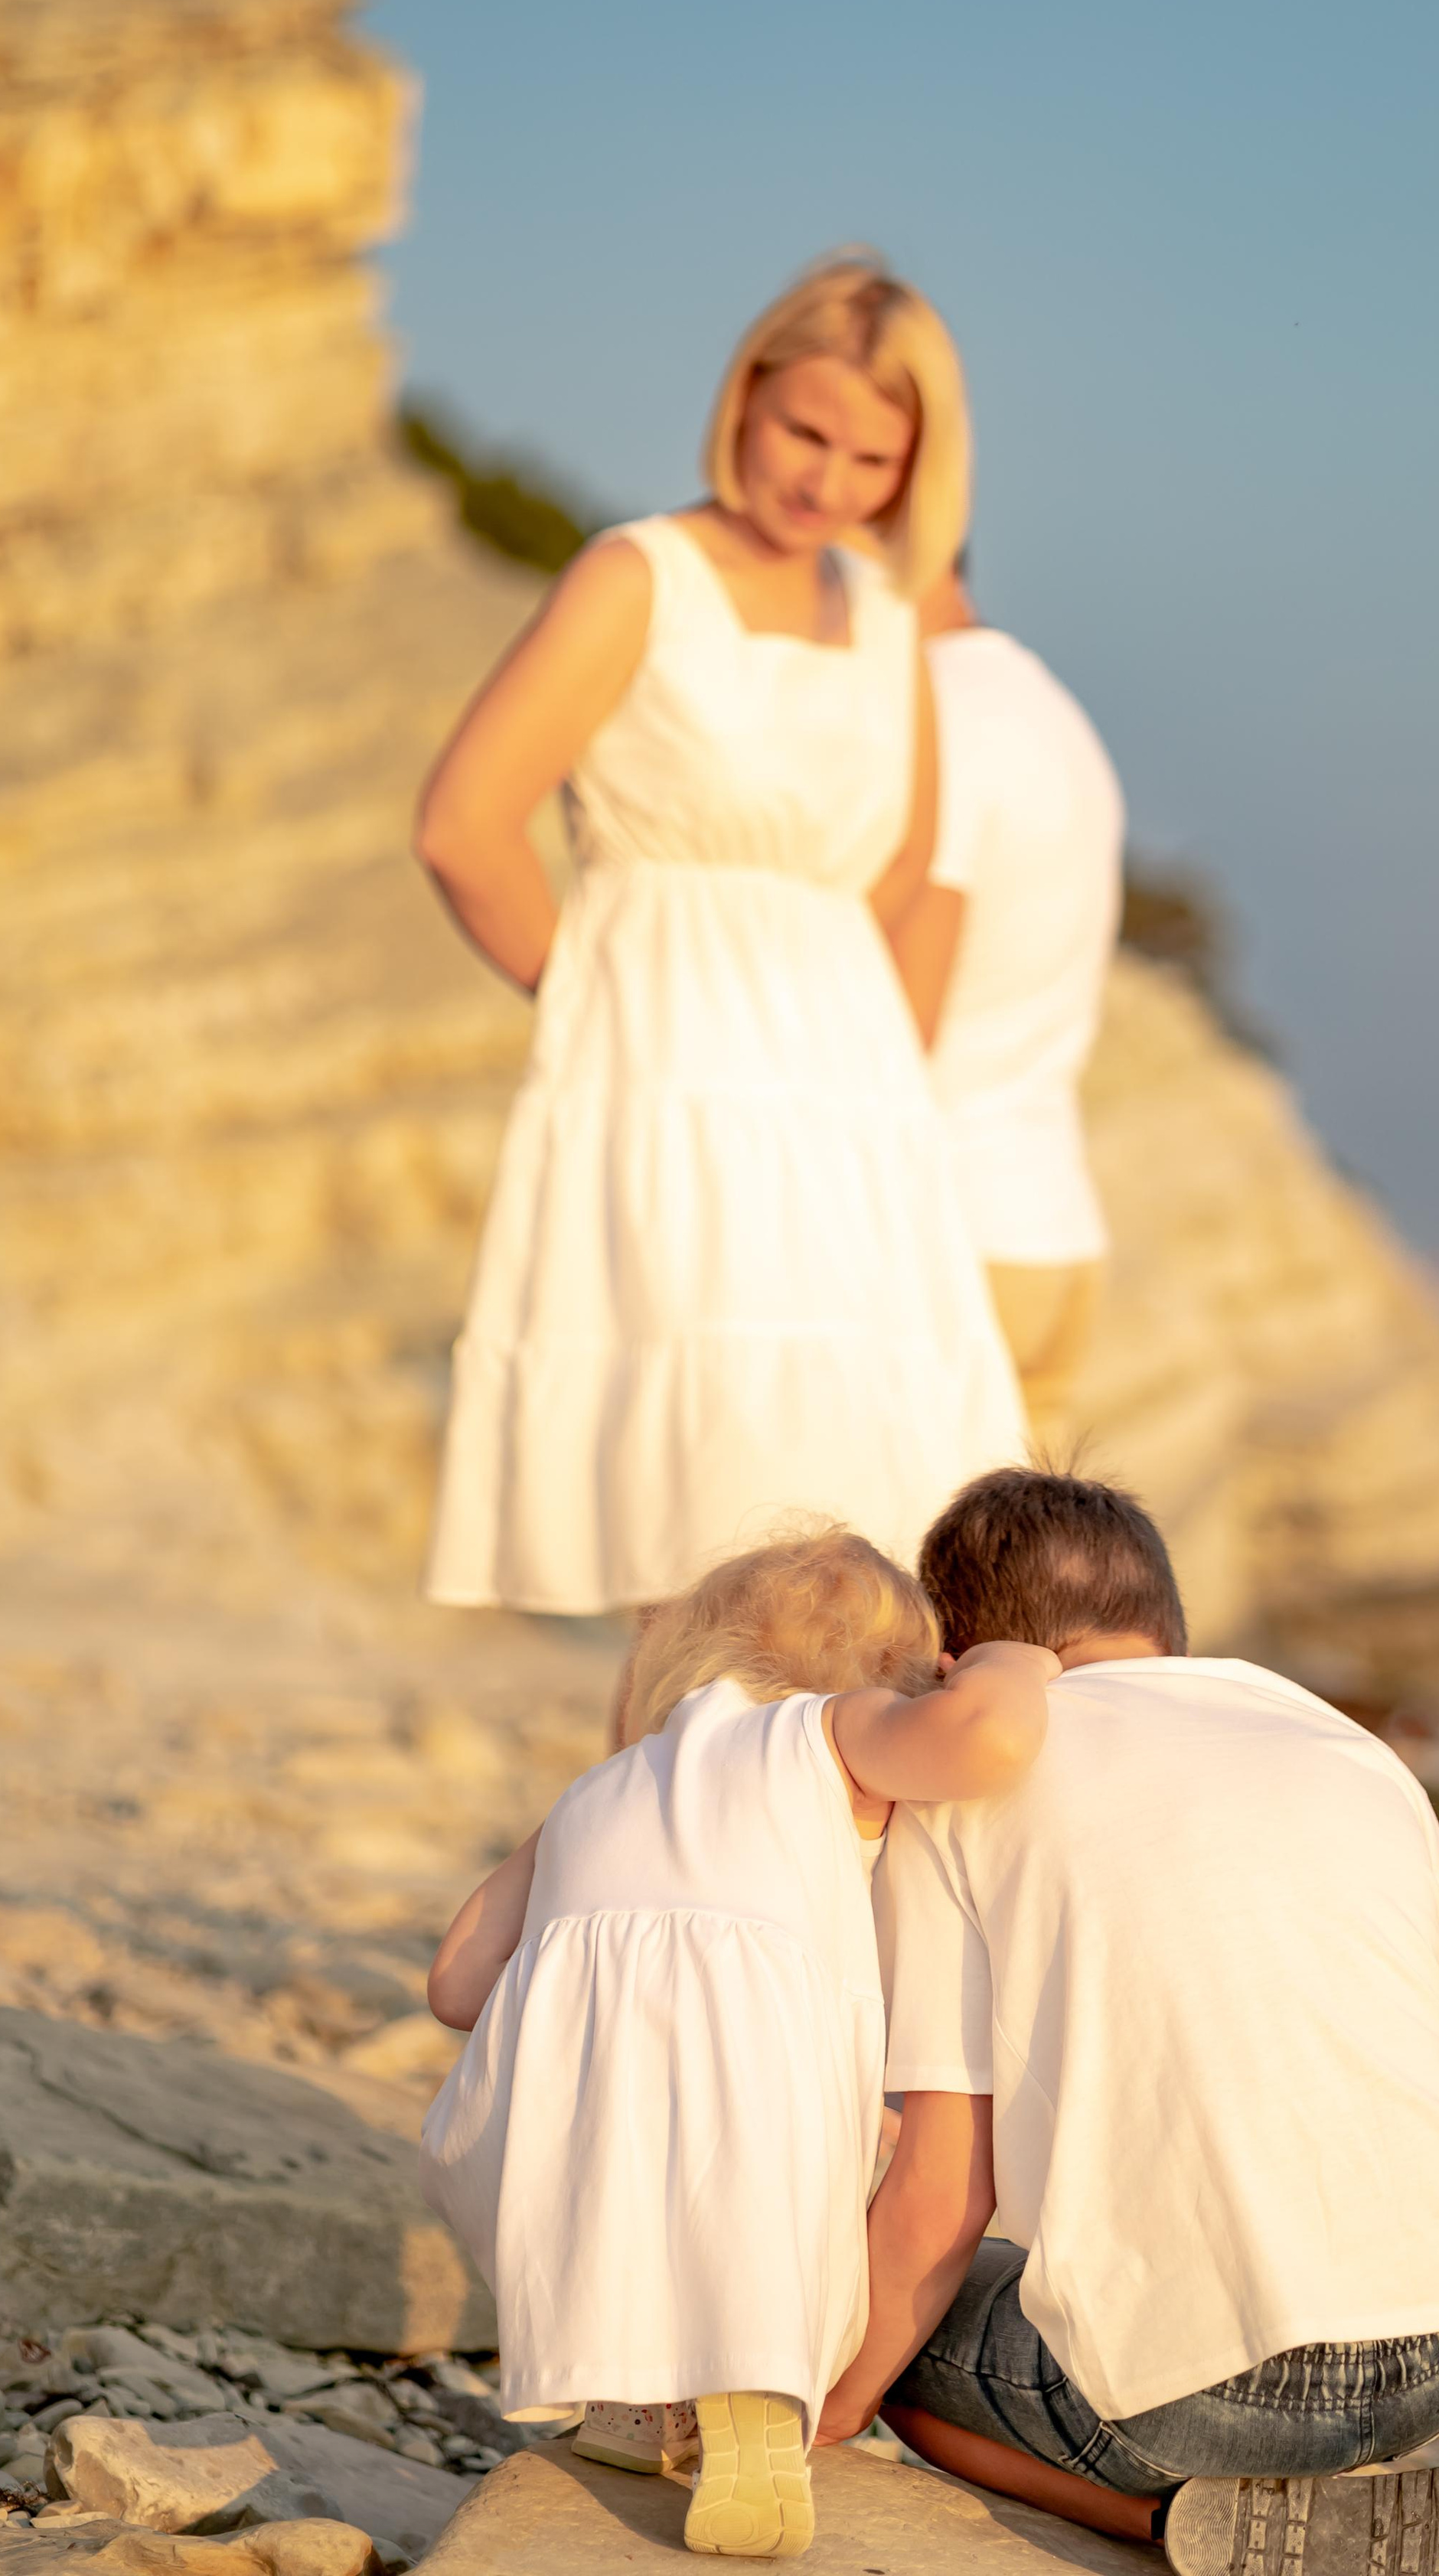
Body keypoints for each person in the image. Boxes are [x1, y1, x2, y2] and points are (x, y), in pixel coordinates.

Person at [414, 259, 1026, 1619]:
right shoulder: (639, 578)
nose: (827, 482)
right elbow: (464, 824)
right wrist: (599, 1011)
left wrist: (884, 1097)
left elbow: (915, 874)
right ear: (742, 396)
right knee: (696, 1522)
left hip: (852, 1116)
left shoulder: (887, 616)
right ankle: (670, 1820)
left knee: (876, 1535)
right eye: (805, 432)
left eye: (874, 458)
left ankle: (828, 1826)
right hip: (665, 1089)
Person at [818, 1469, 1439, 2576]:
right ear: (1169, 1627)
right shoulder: (1350, 1751)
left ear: (958, 1651)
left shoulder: (965, 1782)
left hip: (1212, 2401)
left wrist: (826, 2407)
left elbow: (946, 2187)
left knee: (905, 2356)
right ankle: (1324, 2487)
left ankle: (1176, 2529)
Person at [420, 1528, 1060, 2560]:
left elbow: (455, 1984)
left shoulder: (603, 1783)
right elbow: (985, 1743)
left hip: (560, 2097)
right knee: (777, 2194)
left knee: (639, 2191)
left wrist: (577, 2017)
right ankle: (758, 2411)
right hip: (755, 2055)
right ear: (891, 1672)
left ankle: (635, 2405)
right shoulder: (836, 1732)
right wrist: (1010, 1662)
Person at [887, 569, 1123, 1452]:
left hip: (952, 1240)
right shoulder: (1046, 708)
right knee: (1008, 1590)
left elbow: (905, 1023)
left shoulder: (939, 718)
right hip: (1053, 1227)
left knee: (881, 1585)